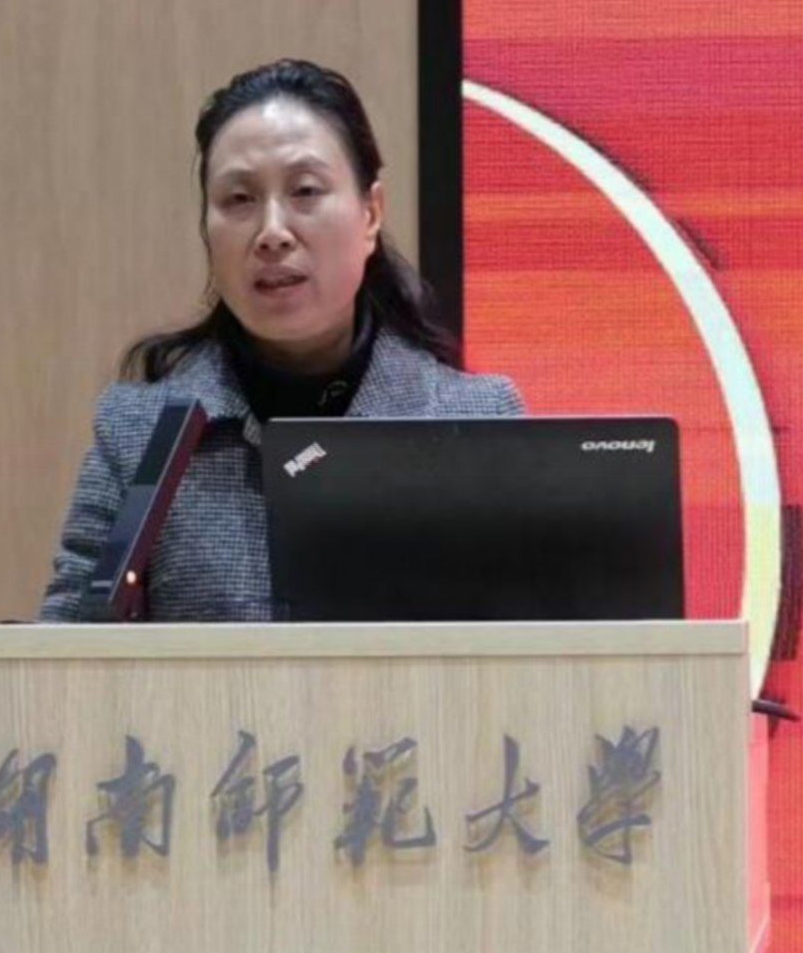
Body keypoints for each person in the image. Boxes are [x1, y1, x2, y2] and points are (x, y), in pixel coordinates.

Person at [38, 59, 523, 623]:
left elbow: (529, 651)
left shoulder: (476, 421)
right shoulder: (139, 433)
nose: (272, 232)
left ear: (370, 214)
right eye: (239, 200)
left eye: (305, 191)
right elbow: (68, 650)